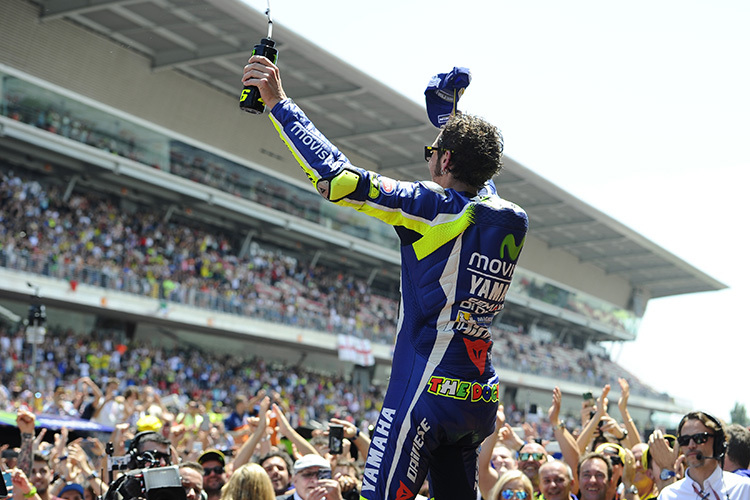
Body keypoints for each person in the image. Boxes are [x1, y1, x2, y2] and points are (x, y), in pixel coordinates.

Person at [243, 53, 528, 500]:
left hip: (424, 393)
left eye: (432, 152)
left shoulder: (434, 207)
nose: (428, 160)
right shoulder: (509, 218)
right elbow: (477, 176)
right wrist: (450, 119)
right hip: (477, 398)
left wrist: (279, 102)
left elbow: (336, 179)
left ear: (445, 158)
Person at [658, 411, 750, 500]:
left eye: (699, 438)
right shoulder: (668, 496)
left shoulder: (743, 489)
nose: (691, 445)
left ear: (718, 443)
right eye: (684, 440)